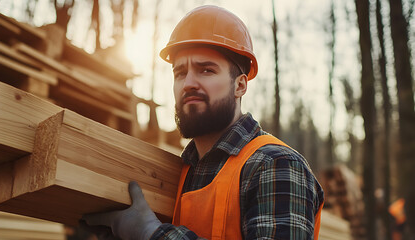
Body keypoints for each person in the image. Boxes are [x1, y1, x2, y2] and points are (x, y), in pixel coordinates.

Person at [82, 5, 324, 240]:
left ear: (240, 85)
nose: (188, 83)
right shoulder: (182, 172)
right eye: (180, 73)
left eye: (206, 70)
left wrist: (152, 233)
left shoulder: (276, 165)